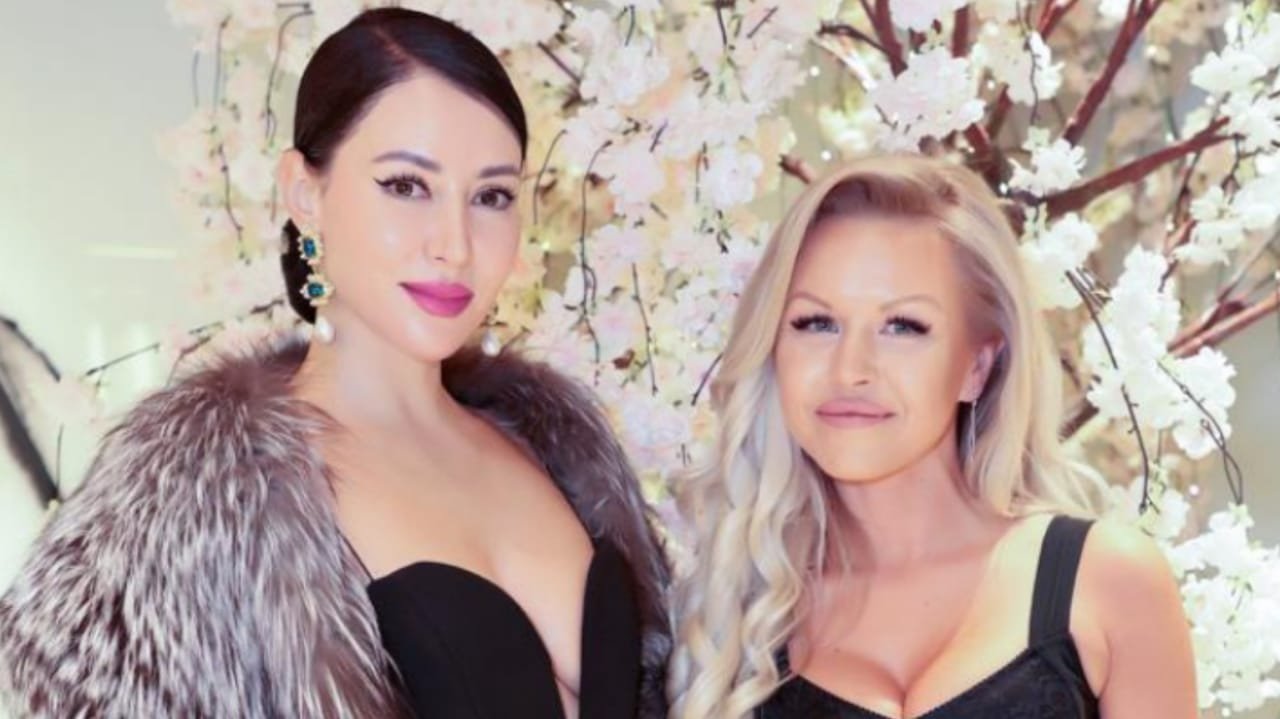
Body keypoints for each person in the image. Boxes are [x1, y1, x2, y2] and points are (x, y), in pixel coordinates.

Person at [0, 9, 668, 718]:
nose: (454, 243)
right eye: (406, 185)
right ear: (304, 192)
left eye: (491, 196)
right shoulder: (199, 498)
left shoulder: (562, 454)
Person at [668, 155, 1196, 719]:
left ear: (977, 367)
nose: (850, 370)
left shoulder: (1107, 580)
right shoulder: (732, 614)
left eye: (903, 327)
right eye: (816, 323)